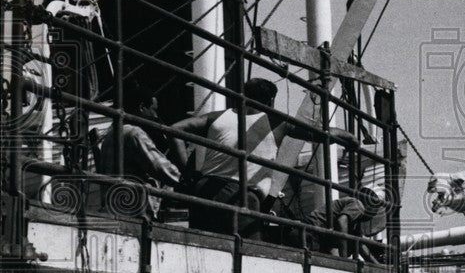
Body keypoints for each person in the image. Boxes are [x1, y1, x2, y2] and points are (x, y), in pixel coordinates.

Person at [171, 78, 357, 238]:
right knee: (250, 254)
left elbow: (176, 129)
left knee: (203, 245)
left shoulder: (216, 116)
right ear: (271, 101)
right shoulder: (275, 121)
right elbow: (320, 134)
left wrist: (188, 171)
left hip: (203, 189)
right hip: (240, 195)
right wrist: (350, 137)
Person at [96, 81, 180, 220]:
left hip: (114, 204)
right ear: (142, 107)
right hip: (135, 208)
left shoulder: (111, 134)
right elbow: (159, 167)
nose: (156, 117)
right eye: (154, 110)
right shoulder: (134, 133)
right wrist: (183, 180)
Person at [279, 180, 388, 261]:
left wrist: (376, 265)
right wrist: (344, 257)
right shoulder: (357, 205)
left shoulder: (353, 215)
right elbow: (342, 221)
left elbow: (359, 244)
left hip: (308, 235)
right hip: (310, 236)